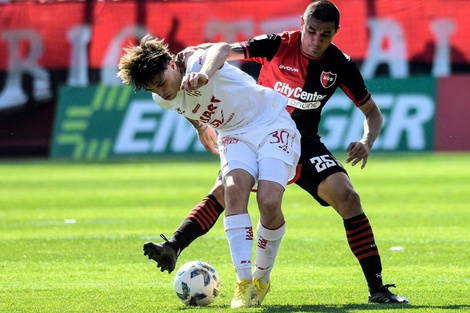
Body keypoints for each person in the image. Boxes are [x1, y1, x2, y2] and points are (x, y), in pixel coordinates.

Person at [142, 0, 409, 305]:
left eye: (325, 34)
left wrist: (367, 141)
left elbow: (372, 112)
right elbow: (226, 50)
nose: (316, 40)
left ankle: (377, 288)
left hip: (304, 142)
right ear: (301, 24)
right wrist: (197, 64)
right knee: (227, 191)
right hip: (253, 128)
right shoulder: (279, 44)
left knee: (347, 197)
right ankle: (176, 246)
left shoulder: (340, 66)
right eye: (311, 31)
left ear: (336, 32)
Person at [117, 34, 301, 308]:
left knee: (269, 202)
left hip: (270, 122)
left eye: (160, 83)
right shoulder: (162, 98)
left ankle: (262, 278)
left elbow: (222, 48)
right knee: (234, 191)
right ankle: (243, 282)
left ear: (170, 64)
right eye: (152, 89)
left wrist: (202, 74)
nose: (160, 91)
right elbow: (182, 104)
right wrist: (201, 127)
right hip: (233, 134)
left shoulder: (194, 60)